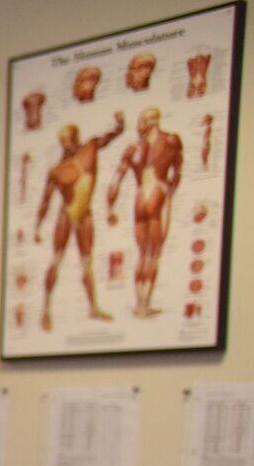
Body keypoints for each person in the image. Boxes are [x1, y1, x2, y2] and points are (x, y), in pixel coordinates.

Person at [33, 114, 126, 330]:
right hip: (66, 214)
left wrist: (120, 126)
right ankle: (45, 309)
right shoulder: (57, 170)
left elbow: (108, 137)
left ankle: (93, 307)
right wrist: (37, 226)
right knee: (56, 259)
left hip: (85, 214)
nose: (68, 145)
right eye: (64, 142)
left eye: (70, 140)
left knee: (87, 263)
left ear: (77, 138)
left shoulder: (90, 149)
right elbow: (45, 201)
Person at [107, 106, 184, 318]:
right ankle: (144, 304)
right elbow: (177, 169)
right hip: (156, 191)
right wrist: (169, 189)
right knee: (153, 254)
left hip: (141, 196)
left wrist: (109, 207)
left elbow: (116, 179)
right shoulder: (170, 141)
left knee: (143, 254)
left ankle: (141, 304)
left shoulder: (134, 148)